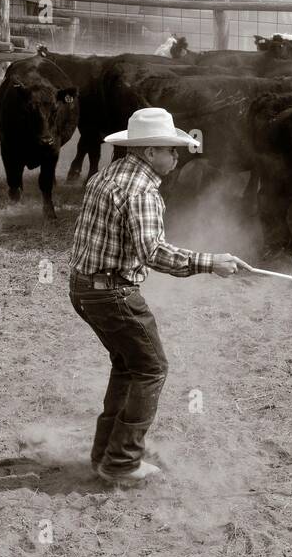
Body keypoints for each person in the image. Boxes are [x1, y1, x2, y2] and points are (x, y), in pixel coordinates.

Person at [68, 107, 241, 485]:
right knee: (151, 368)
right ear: (149, 152)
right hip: (111, 292)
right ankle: (122, 461)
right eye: (170, 150)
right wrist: (210, 263)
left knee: (130, 366)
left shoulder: (108, 175)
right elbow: (154, 252)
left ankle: (108, 452)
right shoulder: (141, 191)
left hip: (84, 288)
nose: (176, 157)